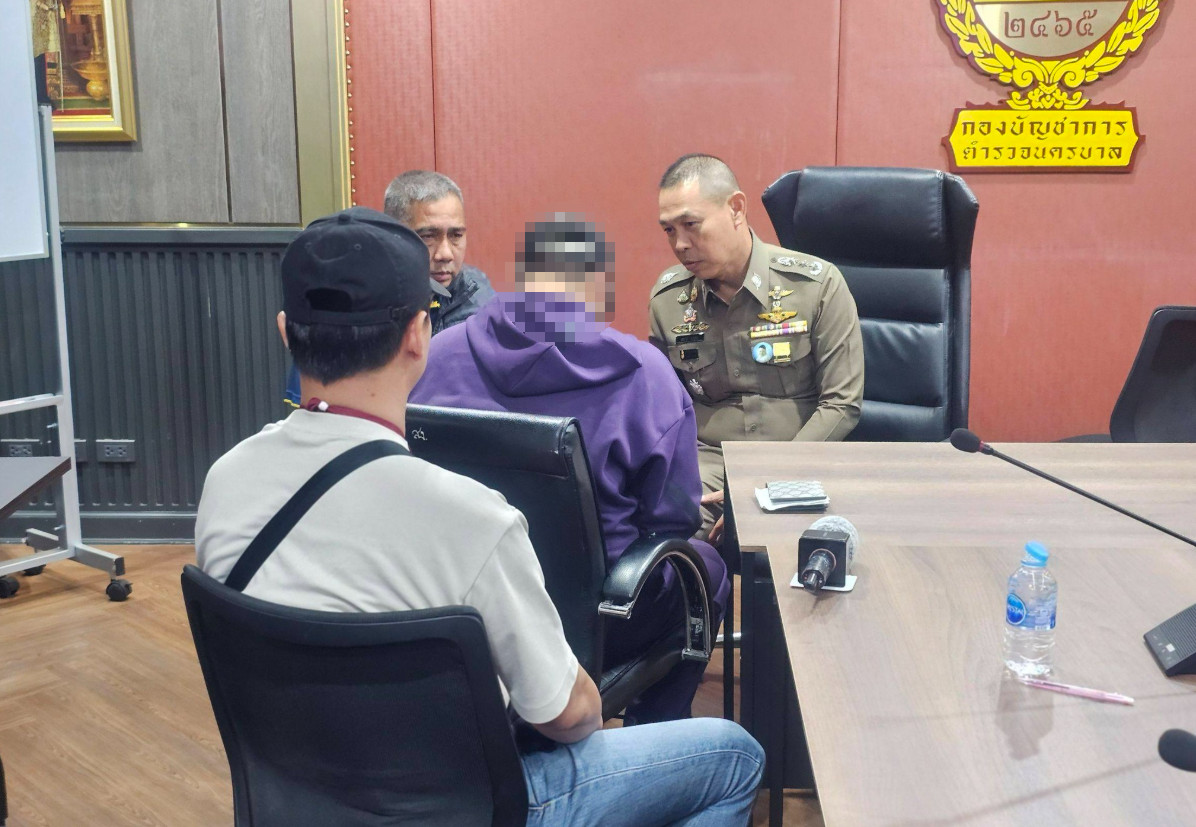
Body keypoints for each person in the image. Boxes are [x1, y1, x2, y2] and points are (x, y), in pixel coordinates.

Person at [197, 207, 763, 824]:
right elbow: (568, 718)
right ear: (417, 336)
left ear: (286, 331)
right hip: (464, 806)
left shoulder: (225, 481)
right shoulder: (474, 523)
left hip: (298, 798)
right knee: (734, 756)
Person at [411, 215, 729, 724]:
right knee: (705, 569)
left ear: (520, 280)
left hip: (461, 610)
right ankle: (652, 736)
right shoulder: (644, 373)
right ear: (597, 288)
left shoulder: (434, 355)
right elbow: (671, 521)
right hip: (596, 621)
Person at [649, 154, 865, 543]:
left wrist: (772, 483)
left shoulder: (816, 286)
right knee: (664, 531)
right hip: (710, 465)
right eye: (668, 230)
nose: (680, 244)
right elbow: (665, 410)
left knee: (805, 541)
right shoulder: (669, 301)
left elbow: (841, 404)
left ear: (736, 209)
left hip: (802, 460)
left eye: (691, 225)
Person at [285, 170, 494, 407]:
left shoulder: (481, 298)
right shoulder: (350, 300)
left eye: (456, 235)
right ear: (394, 234)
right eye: (428, 236)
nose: (445, 253)